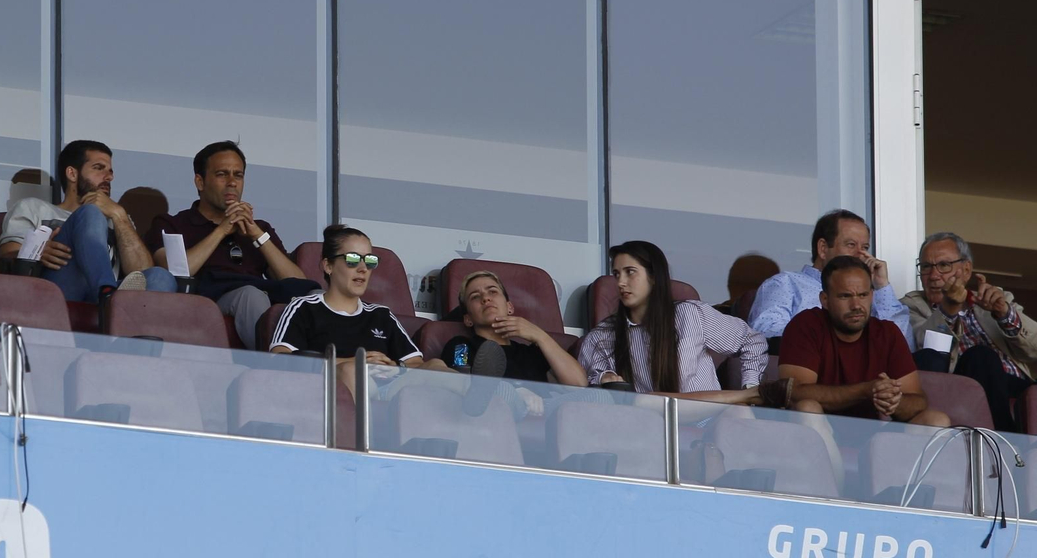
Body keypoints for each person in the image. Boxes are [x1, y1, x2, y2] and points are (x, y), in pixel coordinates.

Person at [148, 141, 319, 348]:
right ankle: (276, 369)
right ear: (200, 182)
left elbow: (296, 281)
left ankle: (331, 368)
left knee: (315, 297)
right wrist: (221, 230)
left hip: (260, 296)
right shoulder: (173, 223)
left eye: (238, 175)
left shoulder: (260, 228)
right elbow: (175, 272)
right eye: (222, 174)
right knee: (250, 295)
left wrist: (256, 234)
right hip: (210, 301)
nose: (232, 182)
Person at [579, 241, 787, 406]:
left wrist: (749, 382)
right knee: (646, 401)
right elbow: (591, 378)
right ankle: (744, 397)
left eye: (630, 272)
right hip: (653, 422)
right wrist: (605, 377)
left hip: (709, 420)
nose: (621, 282)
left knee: (738, 418)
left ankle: (745, 397)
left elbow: (751, 340)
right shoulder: (604, 334)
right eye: (616, 274)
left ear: (653, 277)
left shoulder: (690, 314)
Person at [778, 255, 949, 427]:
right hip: (820, 435)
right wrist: (866, 390)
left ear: (872, 295)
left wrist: (893, 400)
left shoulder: (887, 333)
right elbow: (793, 393)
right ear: (825, 300)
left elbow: (917, 401)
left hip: (873, 437)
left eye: (863, 295)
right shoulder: (806, 325)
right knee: (808, 407)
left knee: (936, 420)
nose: (856, 305)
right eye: (845, 296)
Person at [270, 225, 443, 395]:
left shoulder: (381, 314)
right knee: (352, 371)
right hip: (330, 395)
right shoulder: (304, 307)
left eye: (369, 261)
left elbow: (416, 364)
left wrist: (396, 368)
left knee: (436, 366)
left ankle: (471, 403)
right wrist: (355, 363)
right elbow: (279, 360)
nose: (363, 269)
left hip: (390, 391)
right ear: (328, 266)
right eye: (352, 259)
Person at [0, 140, 175, 303]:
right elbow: (6, 257)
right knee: (90, 213)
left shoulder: (118, 219)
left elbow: (141, 270)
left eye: (111, 171)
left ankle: (124, 322)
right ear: (72, 173)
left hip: (99, 300)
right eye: (99, 168)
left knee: (161, 277)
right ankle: (108, 294)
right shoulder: (33, 207)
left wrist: (119, 214)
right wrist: (35, 252)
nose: (109, 177)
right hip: (54, 292)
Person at [903, 231, 1036, 431]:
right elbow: (926, 350)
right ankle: (1005, 440)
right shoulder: (911, 306)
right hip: (960, 390)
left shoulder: (993, 298)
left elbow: (1034, 347)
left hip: (1014, 385)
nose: (933, 275)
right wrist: (947, 309)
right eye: (926, 267)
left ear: (966, 270)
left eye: (943, 265)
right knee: (981, 356)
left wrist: (1003, 314)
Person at [749, 209, 912, 347]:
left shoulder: (870, 295)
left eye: (865, 247)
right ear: (823, 248)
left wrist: (882, 286)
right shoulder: (786, 284)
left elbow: (903, 344)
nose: (861, 255)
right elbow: (767, 333)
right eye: (851, 245)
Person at [441, 270, 587, 386]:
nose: (486, 298)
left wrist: (540, 336)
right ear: (468, 319)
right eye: (475, 297)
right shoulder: (462, 346)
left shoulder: (532, 353)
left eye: (492, 291)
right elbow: (463, 385)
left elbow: (579, 384)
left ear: (509, 307)